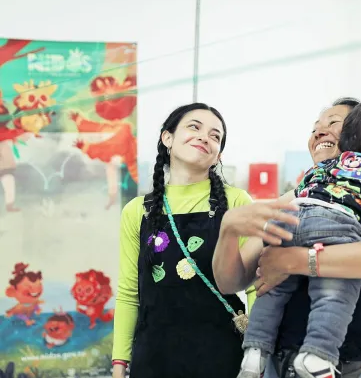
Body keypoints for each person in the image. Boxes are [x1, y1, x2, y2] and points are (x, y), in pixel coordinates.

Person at [213, 97, 361, 378]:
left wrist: (294, 261)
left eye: (334, 123)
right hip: (283, 362)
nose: (319, 132)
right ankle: (256, 352)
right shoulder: (298, 197)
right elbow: (231, 281)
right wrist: (228, 230)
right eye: (315, 127)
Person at [111, 102, 300, 378]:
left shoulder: (236, 202)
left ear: (218, 155)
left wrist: (257, 355)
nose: (204, 137)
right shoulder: (137, 210)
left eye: (215, 136)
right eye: (194, 127)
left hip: (221, 353)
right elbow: (129, 294)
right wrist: (119, 364)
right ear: (167, 138)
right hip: (154, 355)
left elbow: (255, 286)